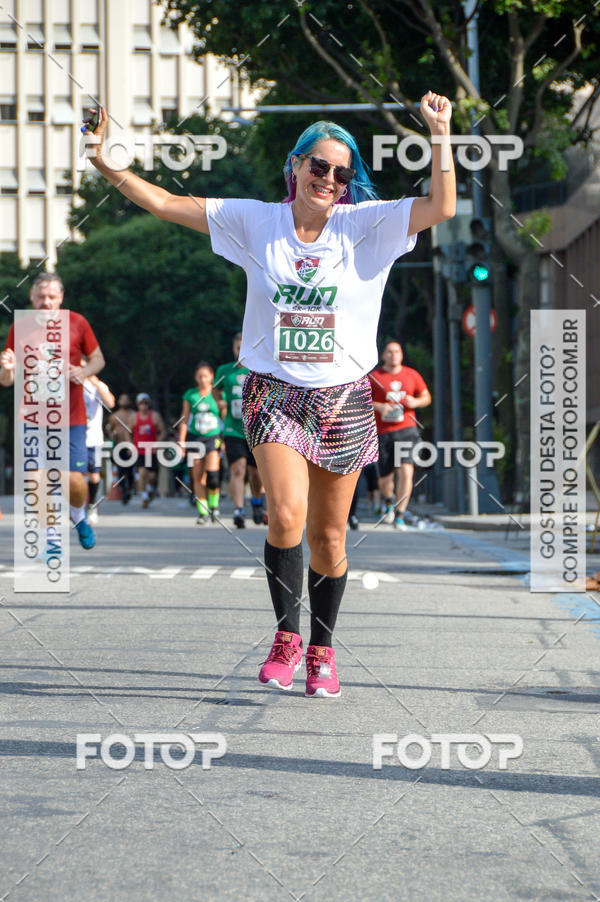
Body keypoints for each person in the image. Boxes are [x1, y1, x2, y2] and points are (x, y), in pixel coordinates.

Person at [86, 91, 455, 697]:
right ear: (295, 166)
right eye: (318, 166)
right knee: (285, 515)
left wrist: (439, 133)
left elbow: (442, 204)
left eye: (341, 173)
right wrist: (105, 160)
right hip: (274, 393)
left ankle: (322, 651)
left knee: (330, 537)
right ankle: (286, 636)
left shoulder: (369, 224)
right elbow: (165, 203)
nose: (329, 179)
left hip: (344, 399)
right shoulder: (257, 222)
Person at [0, 271, 105, 549]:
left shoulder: (77, 323)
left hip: (71, 417)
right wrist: (7, 369)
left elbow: (98, 359)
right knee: (35, 479)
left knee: (74, 482)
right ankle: (51, 536)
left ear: (60, 298)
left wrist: (83, 372)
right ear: (31, 297)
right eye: (41, 297)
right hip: (32, 417)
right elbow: (7, 381)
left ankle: (78, 516)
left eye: (51, 296)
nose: (46, 302)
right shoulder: (20, 327)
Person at [369, 341, 432, 529]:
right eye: (389, 351)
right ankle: (389, 500)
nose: (393, 354)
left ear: (402, 354)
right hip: (383, 433)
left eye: (397, 351)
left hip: (407, 431)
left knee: (406, 471)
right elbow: (362, 400)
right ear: (383, 355)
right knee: (385, 479)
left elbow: (427, 397)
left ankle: (400, 514)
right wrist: (379, 407)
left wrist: (416, 402)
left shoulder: (412, 374)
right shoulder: (375, 376)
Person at [214, 332, 267, 529]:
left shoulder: (260, 369)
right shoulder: (224, 371)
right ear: (234, 349)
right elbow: (215, 390)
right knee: (237, 469)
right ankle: (238, 509)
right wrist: (220, 402)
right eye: (238, 348)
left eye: (244, 347)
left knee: (256, 473)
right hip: (233, 428)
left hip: (255, 429)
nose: (240, 351)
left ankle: (257, 502)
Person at [177, 362, 223, 524]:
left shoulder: (217, 394)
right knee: (197, 476)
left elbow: (224, 416)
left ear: (211, 377)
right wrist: (181, 441)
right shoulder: (190, 395)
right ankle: (203, 512)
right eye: (199, 376)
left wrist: (225, 438)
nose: (203, 379)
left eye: (205, 376)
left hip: (213, 437)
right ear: (196, 378)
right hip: (195, 438)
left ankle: (214, 505)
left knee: (213, 476)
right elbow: (184, 418)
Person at [83, 367, 115, 525]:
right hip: (74, 437)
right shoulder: (69, 384)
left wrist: (95, 382)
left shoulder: (97, 385)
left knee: (94, 476)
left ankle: (91, 505)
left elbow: (110, 403)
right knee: (75, 475)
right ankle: (76, 506)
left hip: (93, 438)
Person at [132, 393, 166, 508]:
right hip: (139, 450)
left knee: (152, 476)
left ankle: (150, 489)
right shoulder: (133, 417)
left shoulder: (155, 416)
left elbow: (163, 431)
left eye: (145, 403)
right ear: (137, 404)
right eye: (141, 403)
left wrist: (157, 443)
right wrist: (130, 445)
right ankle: (144, 496)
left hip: (152, 451)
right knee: (142, 473)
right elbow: (127, 431)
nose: (143, 406)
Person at [107, 393, 136, 503]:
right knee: (120, 470)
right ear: (119, 401)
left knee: (130, 471)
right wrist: (112, 436)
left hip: (131, 445)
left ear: (129, 401)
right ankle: (123, 491)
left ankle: (130, 488)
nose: (124, 401)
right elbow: (110, 430)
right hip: (119, 446)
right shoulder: (114, 416)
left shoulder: (134, 415)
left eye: (126, 399)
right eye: (122, 399)